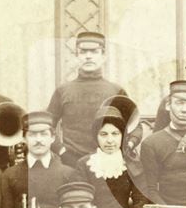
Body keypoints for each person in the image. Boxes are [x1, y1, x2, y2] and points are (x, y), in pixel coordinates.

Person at [73, 104, 147, 208]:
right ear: (96, 136)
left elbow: (142, 201)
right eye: (104, 134)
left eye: (115, 134)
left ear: (122, 136)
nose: (110, 140)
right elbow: (80, 202)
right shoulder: (85, 164)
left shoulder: (132, 163)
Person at [48, 32, 127, 168]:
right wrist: (61, 151)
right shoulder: (63, 90)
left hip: (108, 163)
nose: (88, 56)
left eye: (94, 52)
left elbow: (134, 126)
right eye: (83, 52)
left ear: (104, 57)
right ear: (76, 56)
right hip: (72, 163)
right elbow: (47, 126)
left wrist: (123, 148)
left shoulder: (116, 91)